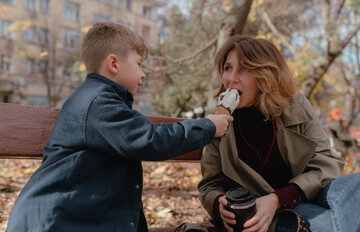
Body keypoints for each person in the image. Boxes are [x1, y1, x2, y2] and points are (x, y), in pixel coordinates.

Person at [6, 22, 233, 232]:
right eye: (139, 64)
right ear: (114, 63)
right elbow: (149, 140)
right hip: (54, 221)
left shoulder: (102, 101)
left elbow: (122, 197)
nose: (143, 74)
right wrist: (208, 126)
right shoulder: (98, 103)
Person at [198, 35, 360, 232]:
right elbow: (210, 185)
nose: (232, 79)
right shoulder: (218, 123)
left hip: (310, 193)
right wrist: (218, 204)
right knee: (332, 223)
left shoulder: (295, 106)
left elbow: (327, 163)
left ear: (265, 75)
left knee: (356, 183)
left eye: (245, 69)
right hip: (270, 216)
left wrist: (277, 199)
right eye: (228, 68)